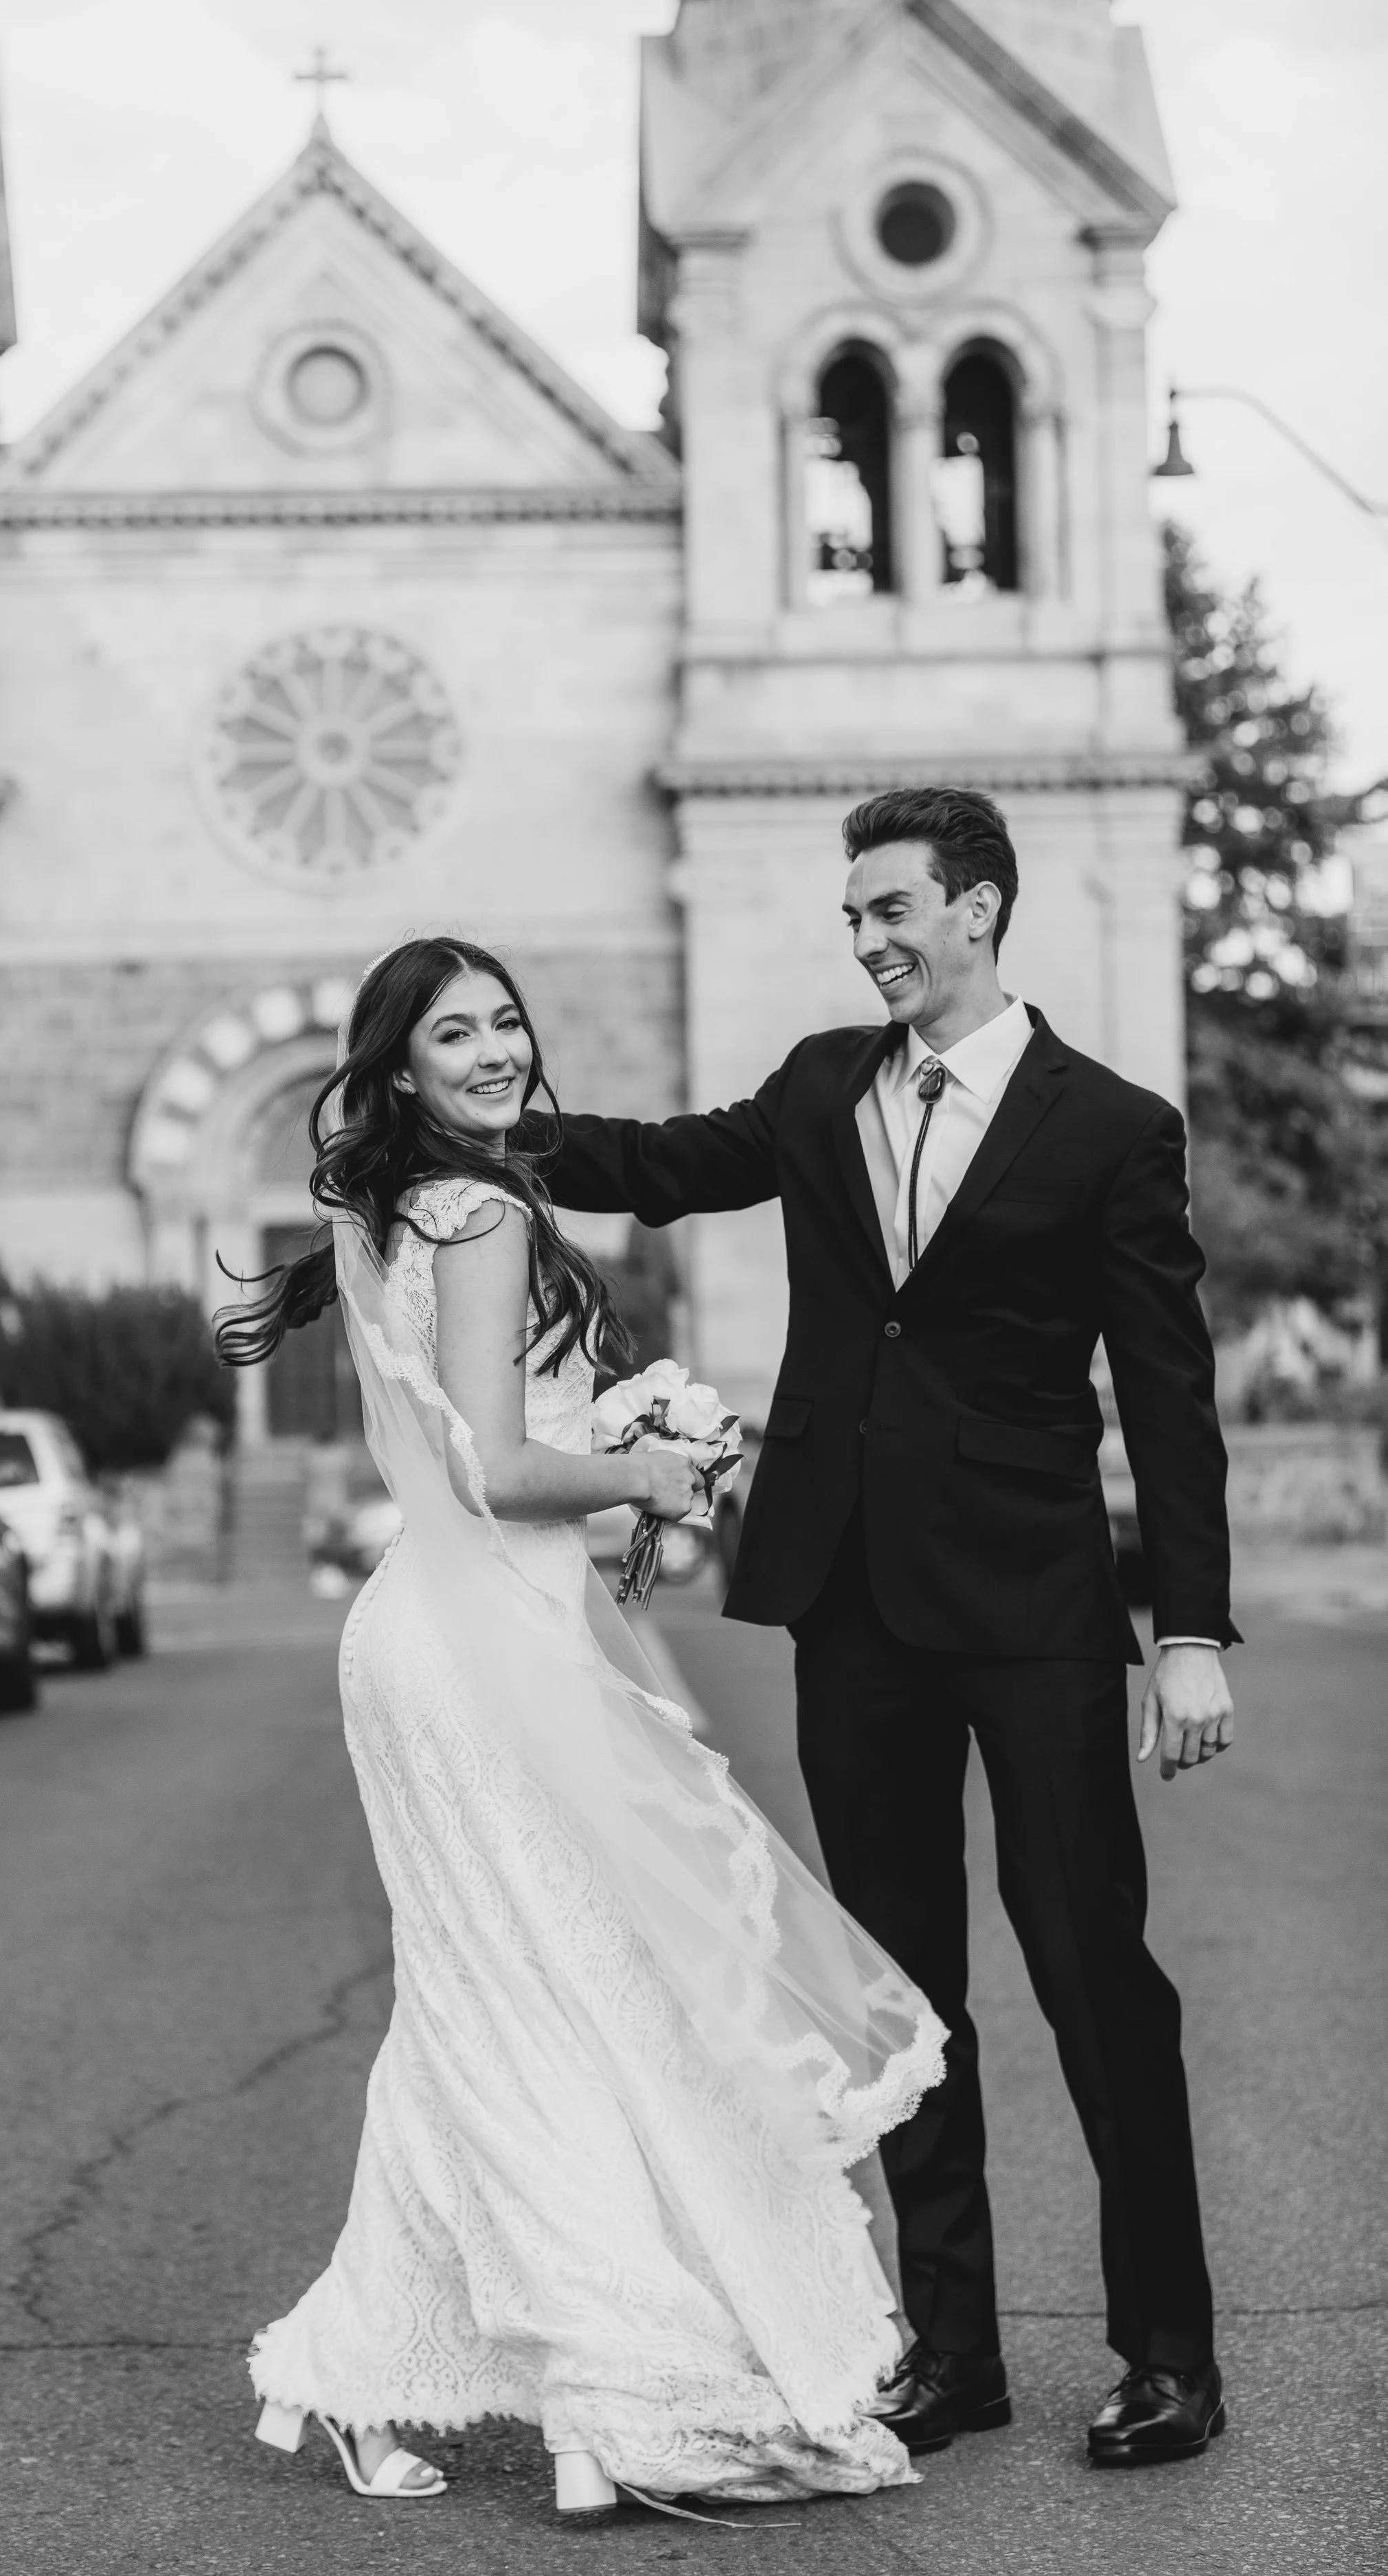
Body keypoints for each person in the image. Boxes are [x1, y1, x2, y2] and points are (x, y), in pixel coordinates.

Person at [539, 787, 1236, 2470]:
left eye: (892, 910)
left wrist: (1191, 1628)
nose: (866, 942)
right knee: (900, 1996)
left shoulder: (1108, 1128)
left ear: (978, 910)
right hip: (849, 1600)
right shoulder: (814, 1086)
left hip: (1031, 1608)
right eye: (853, 918)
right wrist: (472, 1114)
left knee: (1092, 1980)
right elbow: (653, 1166)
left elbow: (1164, 1388)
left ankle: (1168, 2356)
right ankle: (953, 2348)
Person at [217, 938, 946, 2516]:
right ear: (398, 1070)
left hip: (448, 1626)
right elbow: (492, 1467)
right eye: (451, 1034)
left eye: (502, 1024)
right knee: (553, 1993)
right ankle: (608, 2377)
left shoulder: (412, 1202)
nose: (489, 1051)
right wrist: (648, 1471)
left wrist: (600, 1454)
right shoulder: (474, 1212)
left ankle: (365, 2367)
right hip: (476, 1646)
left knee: (494, 1992)